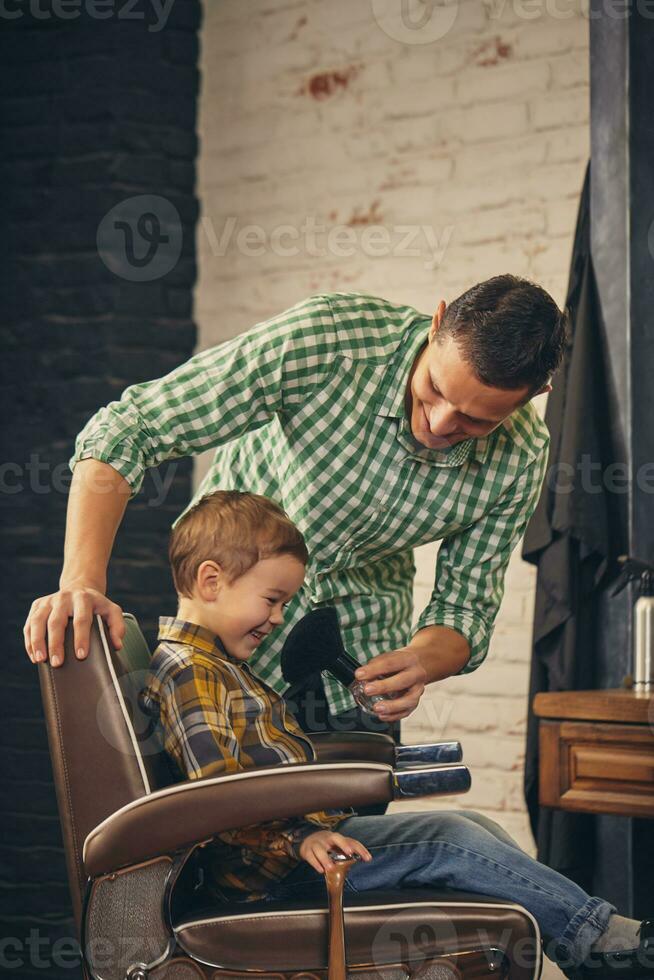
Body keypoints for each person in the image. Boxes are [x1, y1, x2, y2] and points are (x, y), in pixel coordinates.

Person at [140, 491, 652, 979]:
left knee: (467, 826)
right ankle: (599, 940)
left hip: (289, 853)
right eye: (272, 600)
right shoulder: (191, 671)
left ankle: (585, 949)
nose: (277, 619)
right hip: (271, 875)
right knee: (449, 841)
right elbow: (216, 797)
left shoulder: (218, 666)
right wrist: (300, 838)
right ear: (211, 581)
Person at [25, 277, 567, 736]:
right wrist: (82, 580)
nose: (441, 424)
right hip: (220, 654)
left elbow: (463, 611)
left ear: (536, 393)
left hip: (354, 667)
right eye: (433, 390)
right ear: (437, 322)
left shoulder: (520, 456)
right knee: (218, 843)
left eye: (477, 421)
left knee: (350, 850)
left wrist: (422, 661)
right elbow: (130, 429)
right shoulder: (329, 339)